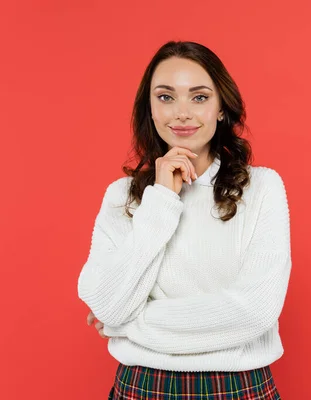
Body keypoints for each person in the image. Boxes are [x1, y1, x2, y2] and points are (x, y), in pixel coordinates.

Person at [77, 41, 291, 399]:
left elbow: (254, 312)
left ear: (221, 108)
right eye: (165, 97)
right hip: (143, 386)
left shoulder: (262, 188)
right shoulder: (122, 195)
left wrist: (126, 325)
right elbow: (108, 304)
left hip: (237, 387)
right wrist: (161, 199)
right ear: (149, 108)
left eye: (199, 97)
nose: (181, 113)